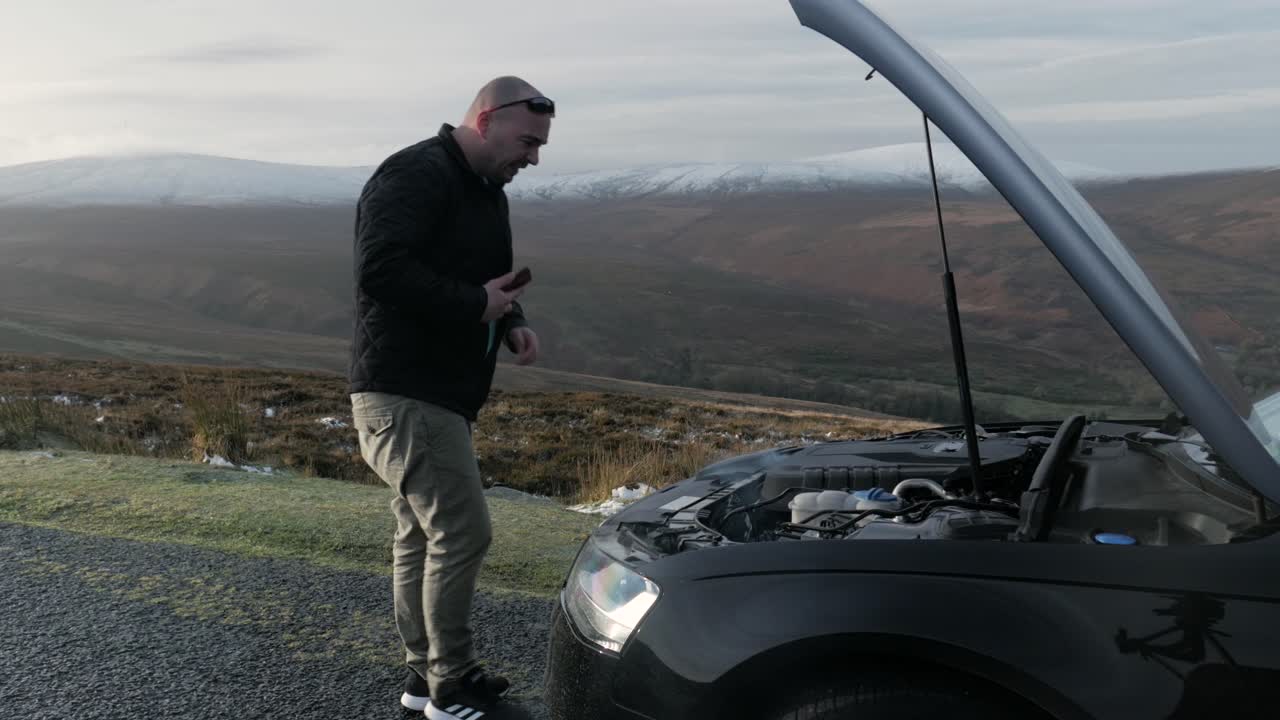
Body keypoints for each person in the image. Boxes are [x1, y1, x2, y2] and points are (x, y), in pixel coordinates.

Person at [347, 75, 551, 719]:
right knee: (462, 531)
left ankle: (424, 677)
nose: (533, 158)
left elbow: (486, 282)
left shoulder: (485, 190)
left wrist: (509, 319)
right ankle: (451, 686)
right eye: (527, 142)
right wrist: (473, 304)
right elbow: (380, 269)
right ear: (485, 121)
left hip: (438, 393)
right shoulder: (415, 173)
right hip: (407, 391)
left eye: (540, 146)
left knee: (420, 535)